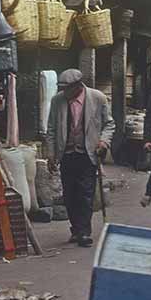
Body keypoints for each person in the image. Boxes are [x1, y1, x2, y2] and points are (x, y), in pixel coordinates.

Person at [46, 69, 115, 247]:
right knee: (70, 195)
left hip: (88, 153)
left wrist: (104, 142)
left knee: (86, 194)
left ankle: (84, 232)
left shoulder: (97, 98)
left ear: (78, 86)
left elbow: (109, 123)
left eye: (67, 88)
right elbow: (52, 128)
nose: (64, 92)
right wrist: (51, 154)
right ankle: (76, 229)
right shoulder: (57, 101)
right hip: (67, 154)